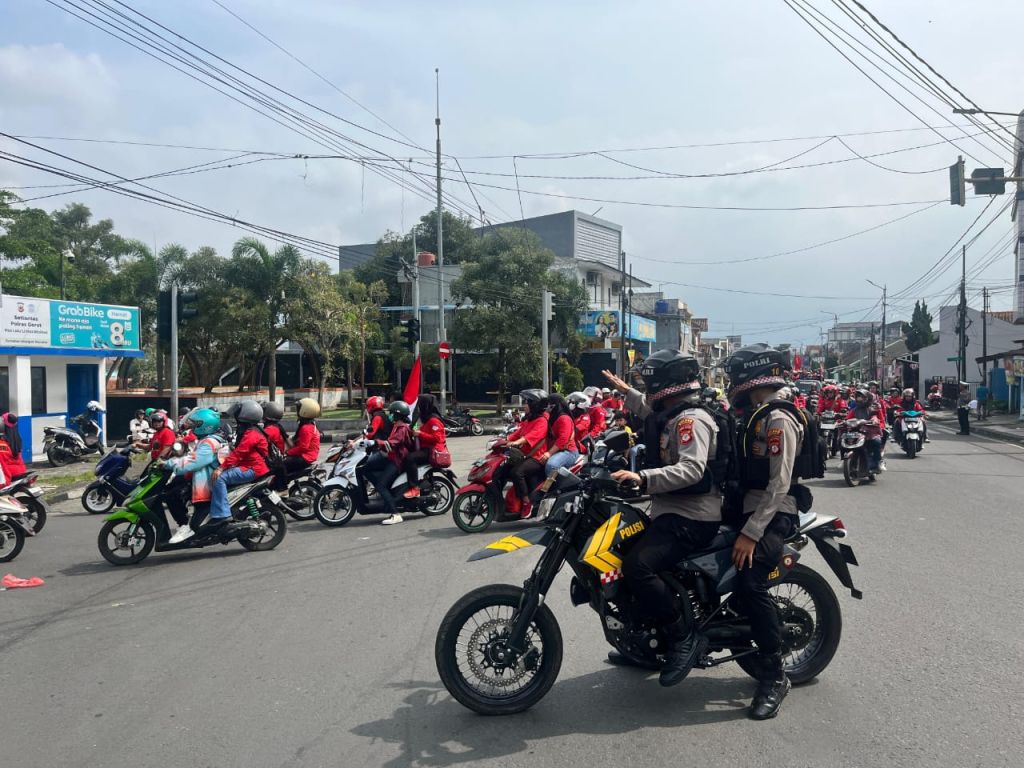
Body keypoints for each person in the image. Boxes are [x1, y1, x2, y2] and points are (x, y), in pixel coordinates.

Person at [602, 350, 722, 687]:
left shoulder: (691, 421)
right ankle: (643, 644)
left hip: (694, 516)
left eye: (652, 380)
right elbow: (646, 408)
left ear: (668, 383)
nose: (648, 386)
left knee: (638, 567)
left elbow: (692, 469)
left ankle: (683, 636)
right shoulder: (672, 413)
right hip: (670, 510)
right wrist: (624, 390)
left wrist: (644, 478)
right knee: (622, 554)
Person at [725, 343, 804, 720]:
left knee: (749, 582)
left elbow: (780, 484)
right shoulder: (755, 413)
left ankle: (774, 675)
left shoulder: (778, 420)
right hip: (747, 510)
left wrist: (752, 533)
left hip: (772, 515)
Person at [165, 409, 226, 544]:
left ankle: (185, 526)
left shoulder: (209, 442)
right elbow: (191, 457)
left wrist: (168, 464)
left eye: (196, 424)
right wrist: (171, 463)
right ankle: (185, 523)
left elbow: (194, 462)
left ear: (205, 425)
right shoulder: (206, 439)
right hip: (199, 477)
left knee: (172, 494)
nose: (193, 427)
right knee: (171, 489)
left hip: (205, 482)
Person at [209, 401, 270, 525]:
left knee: (219, 478)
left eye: (237, 414)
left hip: (252, 468)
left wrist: (221, 468)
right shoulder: (250, 430)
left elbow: (239, 453)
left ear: (245, 415)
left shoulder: (252, 433)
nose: (235, 417)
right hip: (250, 466)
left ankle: (222, 514)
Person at [362, 400, 414, 525]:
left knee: (381, 485)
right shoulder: (396, 426)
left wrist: (376, 442)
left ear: (397, 415)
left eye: (392, 414)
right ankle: (386, 496)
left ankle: (395, 514)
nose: (389, 416)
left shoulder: (402, 428)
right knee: (365, 468)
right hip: (390, 457)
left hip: (397, 461)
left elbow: (392, 443)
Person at [505, 389, 550, 518]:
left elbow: (529, 437)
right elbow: (517, 433)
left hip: (536, 458)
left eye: (527, 403)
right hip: (523, 455)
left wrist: (515, 443)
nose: (524, 405)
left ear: (535, 405)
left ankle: (526, 503)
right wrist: (504, 440)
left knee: (517, 472)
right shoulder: (528, 420)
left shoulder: (542, 421)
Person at [402, 395, 446, 499]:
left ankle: (414, 488)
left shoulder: (434, 420)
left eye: (420, 404)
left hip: (433, 450)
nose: (419, 407)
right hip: (425, 448)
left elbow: (437, 438)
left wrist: (419, 434)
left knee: (410, 458)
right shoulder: (426, 419)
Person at [847, 389, 884, 470]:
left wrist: (875, 422)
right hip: (857, 433)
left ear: (867, 398)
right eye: (858, 397)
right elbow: (848, 419)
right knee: (843, 440)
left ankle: (878, 461)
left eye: (861, 397)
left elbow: (881, 421)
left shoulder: (874, 409)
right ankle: (845, 460)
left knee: (876, 442)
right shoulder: (854, 410)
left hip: (871, 433)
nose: (859, 399)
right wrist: (843, 423)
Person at [284, 397, 321, 475]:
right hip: (308, 455)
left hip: (306, 457)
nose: (297, 411)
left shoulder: (306, 428)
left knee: (280, 465)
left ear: (305, 411)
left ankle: (281, 486)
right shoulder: (310, 424)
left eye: (299, 408)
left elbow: (303, 447)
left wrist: (288, 453)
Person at [543, 393, 579, 476]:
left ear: (554, 405)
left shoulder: (564, 418)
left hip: (568, 451)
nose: (547, 406)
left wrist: (549, 453)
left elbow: (563, 439)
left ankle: (550, 488)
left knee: (551, 465)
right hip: (556, 450)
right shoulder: (552, 417)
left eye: (549, 403)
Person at [0, 413, 27, 482]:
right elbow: (20, 461)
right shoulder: (17, 440)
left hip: (8, 476)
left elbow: (2, 465)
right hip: (20, 472)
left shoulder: (2, 443)